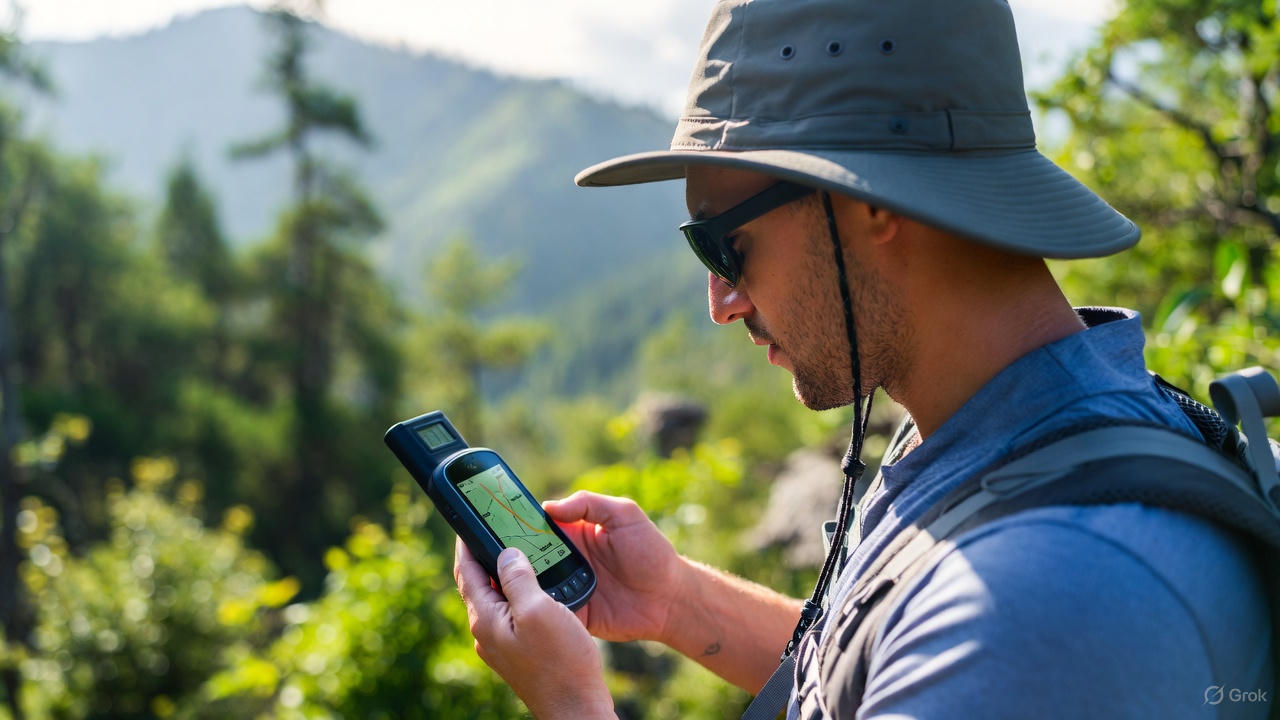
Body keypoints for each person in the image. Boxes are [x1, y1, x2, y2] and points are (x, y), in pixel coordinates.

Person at [453, 0, 1275, 717]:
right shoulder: (1003, 429)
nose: (722, 303)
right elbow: (897, 664)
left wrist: (571, 703)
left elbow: (983, 648)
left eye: (725, 247)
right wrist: (676, 602)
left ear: (870, 205)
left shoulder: (1041, 600)